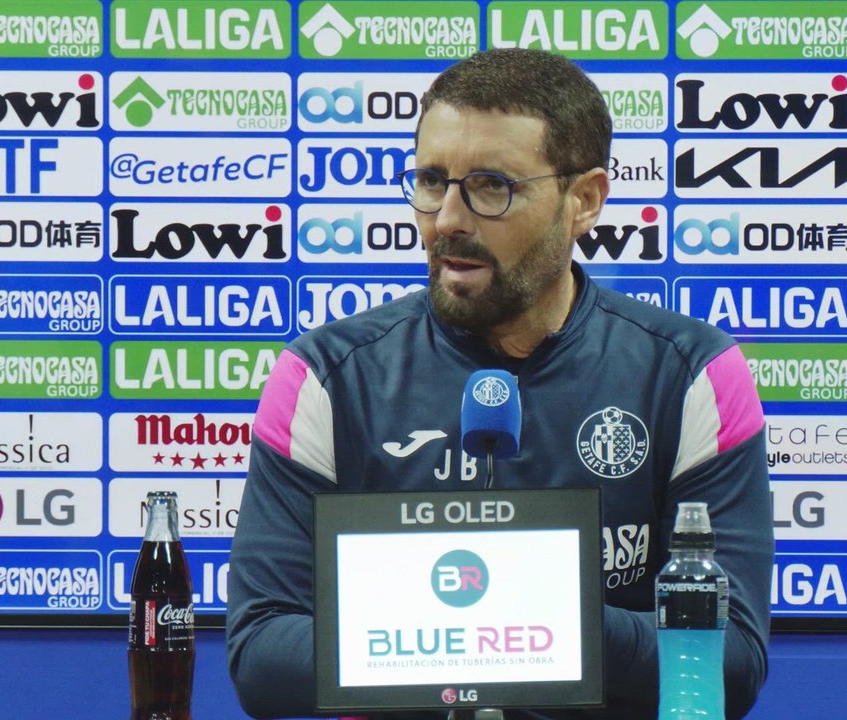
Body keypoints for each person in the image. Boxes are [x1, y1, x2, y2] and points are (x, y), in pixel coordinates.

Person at [226, 48, 773, 719]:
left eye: (491, 186)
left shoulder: (692, 374)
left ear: (584, 201)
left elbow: (731, 663)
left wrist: (513, 616)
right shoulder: (324, 377)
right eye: (431, 180)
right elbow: (260, 655)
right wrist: (499, 627)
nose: (448, 218)